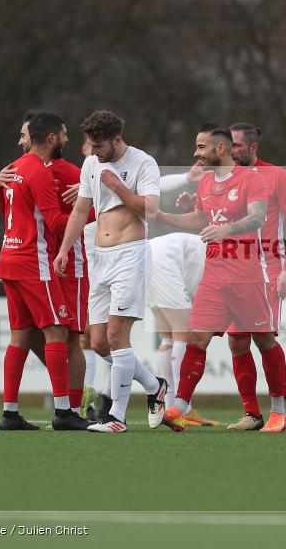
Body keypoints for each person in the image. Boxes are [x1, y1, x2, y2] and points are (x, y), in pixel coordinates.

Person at [108, 125, 286, 433]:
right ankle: (179, 406)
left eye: (201, 147)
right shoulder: (206, 182)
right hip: (214, 276)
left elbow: (258, 217)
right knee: (196, 339)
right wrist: (165, 217)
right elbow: (201, 220)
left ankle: (278, 409)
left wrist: (227, 230)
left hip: (248, 277)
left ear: (220, 149)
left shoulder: (252, 179)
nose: (196, 153)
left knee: (263, 340)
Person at [53, 110, 167, 434]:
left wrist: (118, 185)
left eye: (98, 146)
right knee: (99, 342)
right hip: (99, 258)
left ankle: (116, 417)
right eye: (90, 145)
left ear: (116, 139)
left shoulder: (143, 163)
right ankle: (154, 385)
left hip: (130, 255)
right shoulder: (92, 163)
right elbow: (80, 209)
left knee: (118, 336)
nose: (93, 153)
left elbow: (151, 211)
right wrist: (64, 249)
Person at [0, 111, 89, 431]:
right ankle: (64, 411)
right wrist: (87, 209)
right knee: (57, 330)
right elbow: (56, 224)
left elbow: (5, 210)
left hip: (8, 258)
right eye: (63, 134)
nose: (66, 139)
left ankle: (10, 412)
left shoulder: (13, 169)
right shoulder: (39, 173)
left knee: (20, 335)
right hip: (33, 262)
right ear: (51, 138)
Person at [145, 232, 218, 427]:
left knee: (168, 337)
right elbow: (200, 292)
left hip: (148, 253)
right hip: (164, 259)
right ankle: (180, 410)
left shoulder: (213, 250)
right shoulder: (218, 262)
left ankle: (173, 409)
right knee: (182, 334)